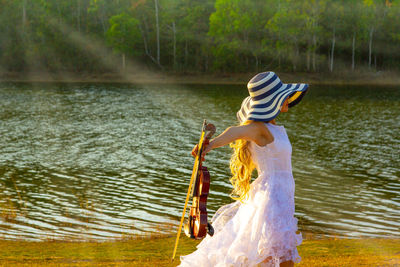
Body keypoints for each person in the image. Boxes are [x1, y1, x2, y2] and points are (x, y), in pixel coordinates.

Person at [179, 71, 309, 267]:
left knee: (277, 256)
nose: (288, 99)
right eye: (283, 96)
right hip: (272, 198)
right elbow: (234, 131)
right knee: (278, 256)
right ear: (272, 101)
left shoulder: (275, 129)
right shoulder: (259, 129)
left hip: (283, 197)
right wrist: (210, 144)